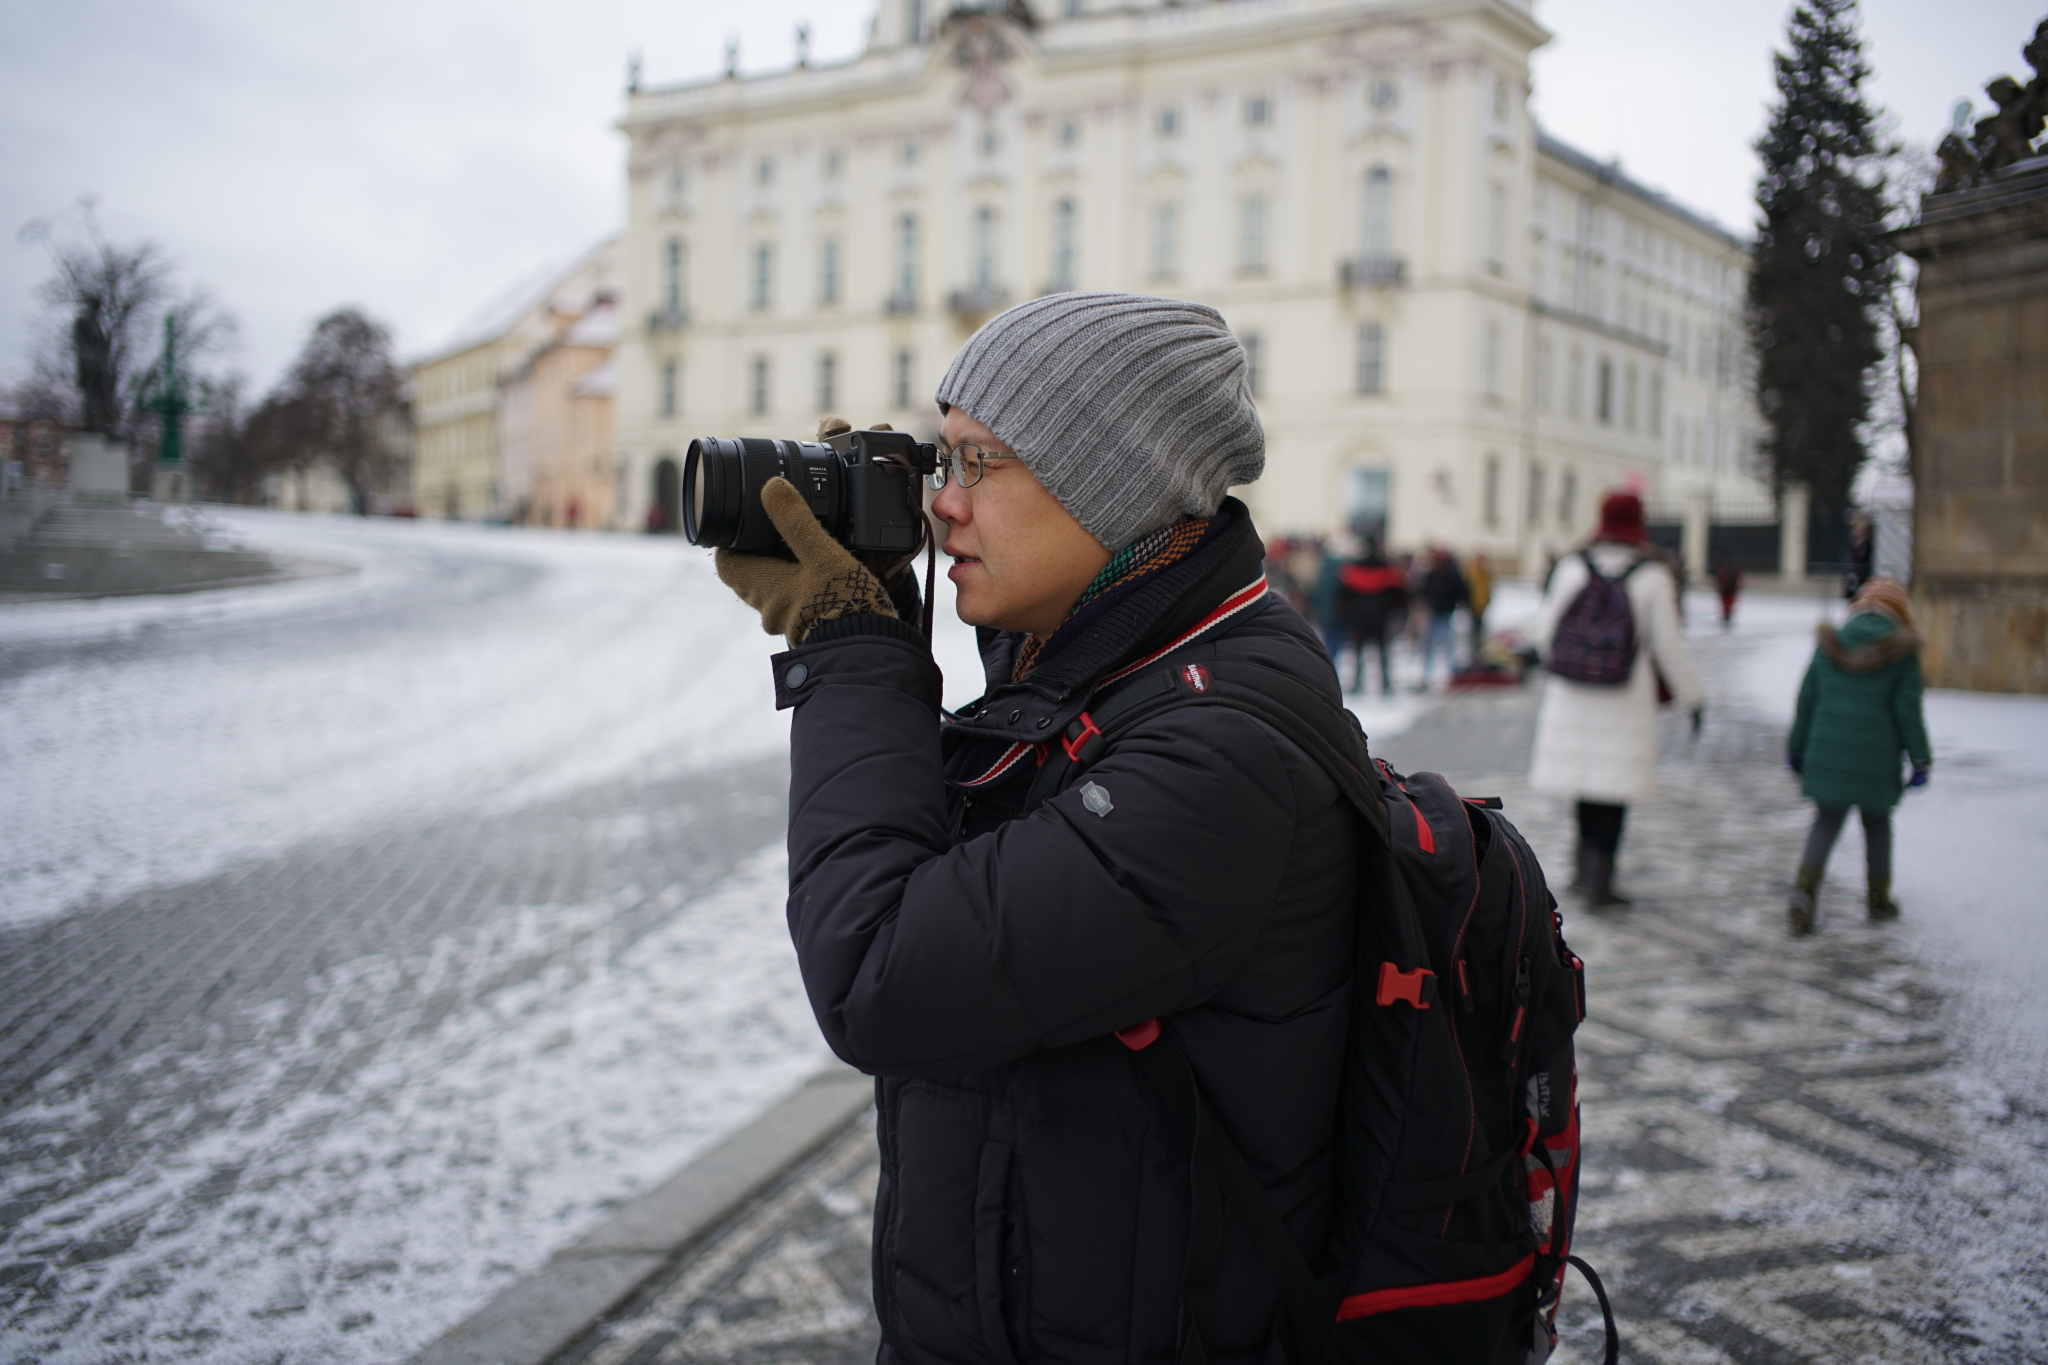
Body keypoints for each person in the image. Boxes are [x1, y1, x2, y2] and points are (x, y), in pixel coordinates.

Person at [713, 292, 1355, 1365]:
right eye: (937, 460)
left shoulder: (1219, 754)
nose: (940, 509)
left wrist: (854, 649)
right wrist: (879, 605)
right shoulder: (1090, 668)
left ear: (1112, 485)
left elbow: (877, 973)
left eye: (978, 463)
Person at [1528, 490, 1704, 907]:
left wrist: (1575, 663)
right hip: (1625, 697)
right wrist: (1693, 698)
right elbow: (1668, 645)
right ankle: (1601, 882)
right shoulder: (1653, 574)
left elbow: (1543, 633)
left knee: (1584, 786)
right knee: (1614, 792)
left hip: (1571, 695)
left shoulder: (1572, 566)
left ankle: (1579, 871)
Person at [1785, 577, 1931, 935]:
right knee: (1878, 824)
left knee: (1826, 820)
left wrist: (1795, 746)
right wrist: (1921, 759)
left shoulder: (1829, 642)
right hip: (1877, 761)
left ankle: (1804, 893)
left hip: (1828, 755)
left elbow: (1807, 699)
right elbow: (1907, 711)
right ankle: (1878, 900)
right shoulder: (1902, 652)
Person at [1336, 536, 1406, 695]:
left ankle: (1357, 685)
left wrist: (1347, 614)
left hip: (1359, 618)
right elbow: (1399, 596)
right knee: (1382, 653)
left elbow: (1342, 597)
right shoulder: (1387, 570)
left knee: (1358, 654)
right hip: (1380, 618)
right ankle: (1386, 684)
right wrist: (1391, 611)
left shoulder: (1352, 569)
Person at [1414, 546, 1469, 690]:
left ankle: (1451, 675)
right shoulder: (1430, 575)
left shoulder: (1451, 575)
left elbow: (1463, 592)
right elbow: (1422, 592)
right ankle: (1426, 675)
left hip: (1446, 614)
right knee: (1429, 647)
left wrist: (1456, 605)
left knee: (1447, 646)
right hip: (1433, 614)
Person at [1465, 551, 1493, 666]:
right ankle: (1472, 655)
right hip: (1473, 606)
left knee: (1479, 632)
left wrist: (1487, 601)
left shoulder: (1485, 574)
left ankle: (1478, 654)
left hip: (1482, 606)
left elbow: (1487, 589)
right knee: (1473, 632)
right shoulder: (1472, 573)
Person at [1712, 551, 1743, 629]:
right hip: (1728, 587)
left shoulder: (1724, 565)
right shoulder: (1729, 565)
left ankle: (1727, 615)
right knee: (1727, 602)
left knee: (1727, 602)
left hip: (1728, 587)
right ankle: (1726, 615)